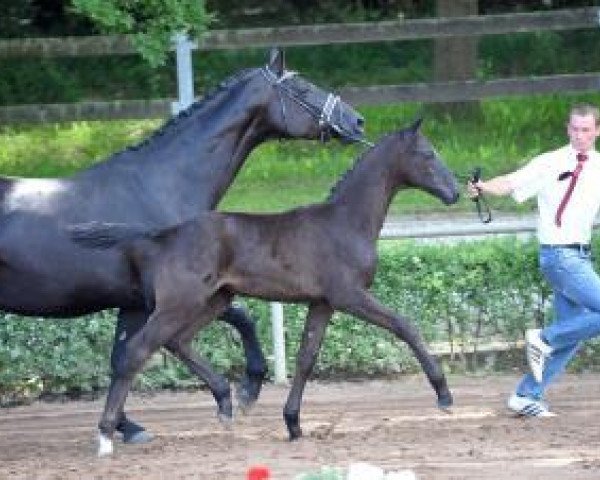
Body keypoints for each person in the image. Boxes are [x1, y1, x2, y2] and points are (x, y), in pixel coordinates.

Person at [468, 103, 600, 417]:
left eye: (586, 130)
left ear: (597, 131)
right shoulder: (551, 162)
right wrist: (483, 187)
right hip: (560, 257)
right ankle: (543, 338)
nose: (580, 136)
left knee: (572, 334)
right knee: (563, 334)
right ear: (568, 130)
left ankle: (526, 395)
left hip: (580, 255)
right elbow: (511, 182)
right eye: (575, 129)